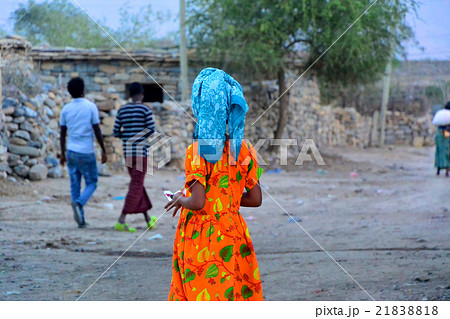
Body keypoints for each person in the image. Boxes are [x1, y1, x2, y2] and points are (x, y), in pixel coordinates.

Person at [165, 68, 263, 301]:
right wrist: (223, 200)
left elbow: (198, 203)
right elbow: (255, 200)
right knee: (232, 293)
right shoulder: (246, 149)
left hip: (202, 237)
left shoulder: (196, 151)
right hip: (233, 233)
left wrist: (181, 199)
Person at [60, 77, 107, 228]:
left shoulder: (65, 109)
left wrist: (62, 154)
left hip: (71, 151)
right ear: (84, 91)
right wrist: (103, 150)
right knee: (92, 183)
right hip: (86, 151)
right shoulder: (90, 107)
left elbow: (62, 133)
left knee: (75, 185)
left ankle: (81, 220)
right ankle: (80, 204)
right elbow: (97, 130)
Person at [113, 82, 157, 232]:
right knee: (136, 184)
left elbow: (115, 132)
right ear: (142, 94)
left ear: (129, 94)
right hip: (141, 153)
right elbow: (151, 130)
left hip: (128, 153)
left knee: (137, 184)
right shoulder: (145, 109)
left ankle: (148, 219)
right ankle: (122, 219)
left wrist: (127, 135)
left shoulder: (122, 110)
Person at [435, 101, 450, 177]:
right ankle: (447, 171)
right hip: (446, 134)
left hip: (438, 134)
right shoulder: (448, 115)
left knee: (439, 151)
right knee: (447, 152)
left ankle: (438, 170)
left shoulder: (441, 114)